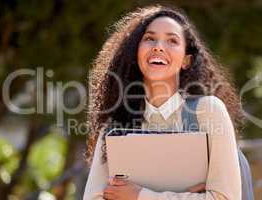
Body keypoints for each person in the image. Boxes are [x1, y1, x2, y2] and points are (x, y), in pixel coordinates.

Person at [84, 5, 247, 200]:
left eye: (172, 40)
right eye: (149, 39)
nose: (159, 46)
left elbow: (225, 198)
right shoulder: (114, 123)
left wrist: (139, 196)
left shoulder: (208, 111)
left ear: (186, 60)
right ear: (135, 53)